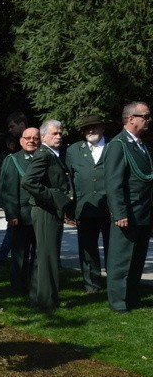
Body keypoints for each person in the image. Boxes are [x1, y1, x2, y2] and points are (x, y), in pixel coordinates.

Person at [104, 102, 153, 314]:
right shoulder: (118, 145)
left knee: (137, 259)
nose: (149, 120)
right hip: (128, 212)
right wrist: (120, 212)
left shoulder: (141, 145)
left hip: (143, 212)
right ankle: (118, 302)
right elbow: (113, 183)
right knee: (121, 259)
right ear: (131, 118)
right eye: (146, 116)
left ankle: (131, 297)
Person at [21, 120, 73, 312]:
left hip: (48, 210)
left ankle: (39, 297)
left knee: (42, 255)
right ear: (44, 137)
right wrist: (54, 197)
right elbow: (28, 181)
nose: (59, 136)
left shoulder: (52, 154)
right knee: (48, 256)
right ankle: (47, 301)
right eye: (55, 133)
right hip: (45, 210)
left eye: (60, 133)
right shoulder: (44, 154)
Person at [65, 113, 111, 294]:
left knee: (113, 249)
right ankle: (92, 284)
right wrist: (69, 208)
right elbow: (68, 180)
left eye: (94, 126)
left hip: (110, 208)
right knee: (87, 249)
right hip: (85, 207)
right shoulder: (74, 150)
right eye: (86, 128)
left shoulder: (114, 147)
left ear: (102, 128)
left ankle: (114, 283)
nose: (90, 130)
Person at [0, 127, 40, 294]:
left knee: (38, 254)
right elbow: (7, 190)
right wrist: (12, 214)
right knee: (20, 254)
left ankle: (37, 286)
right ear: (21, 141)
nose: (31, 141)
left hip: (41, 215)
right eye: (27, 138)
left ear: (40, 140)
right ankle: (18, 287)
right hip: (22, 216)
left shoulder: (45, 158)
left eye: (35, 138)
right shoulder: (13, 160)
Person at [0, 111, 28, 263]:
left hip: (24, 192)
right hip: (16, 192)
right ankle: (3, 254)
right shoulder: (17, 144)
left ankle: (3, 255)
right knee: (14, 227)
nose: (10, 130)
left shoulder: (27, 141)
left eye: (12, 126)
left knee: (16, 227)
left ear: (22, 124)